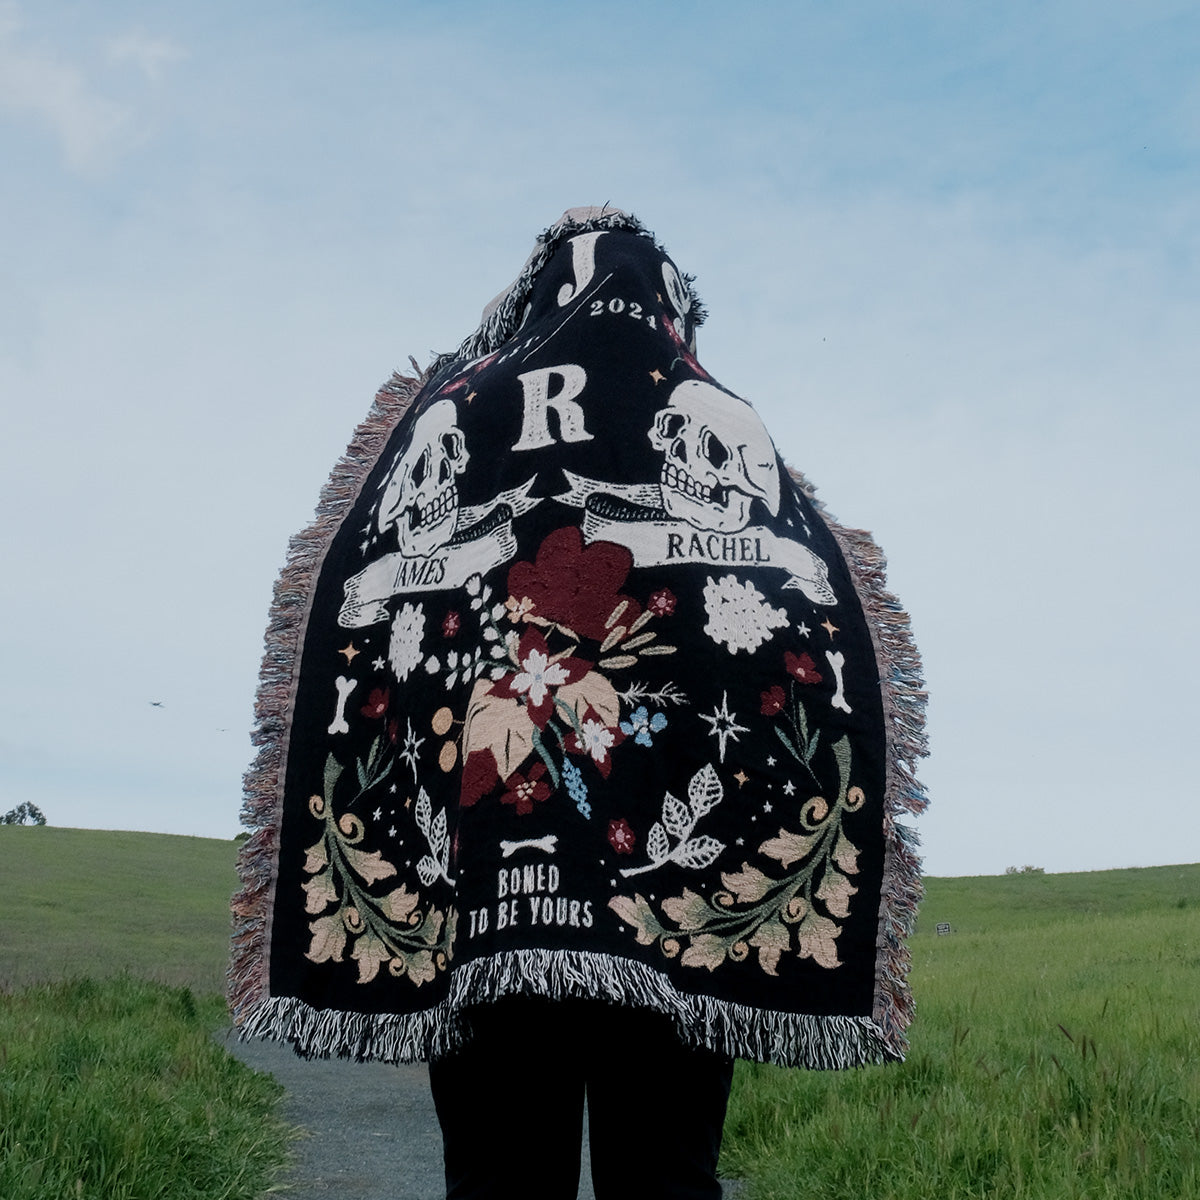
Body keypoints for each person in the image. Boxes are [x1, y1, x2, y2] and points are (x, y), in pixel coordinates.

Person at [232, 206, 927, 1200]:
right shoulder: (715, 407)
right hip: (668, 901)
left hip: (492, 903)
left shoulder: (459, 410)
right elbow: (804, 633)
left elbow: (382, 624)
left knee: (501, 1175)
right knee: (666, 1175)